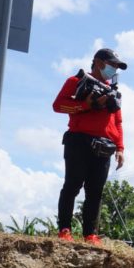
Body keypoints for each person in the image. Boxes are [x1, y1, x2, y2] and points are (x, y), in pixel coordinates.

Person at [53, 48, 127, 245]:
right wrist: (86, 105)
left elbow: (118, 122)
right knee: (72, 185)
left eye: (117, 67)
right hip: (79, 140)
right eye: (112, 65)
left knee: (95, 191)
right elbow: (58, 106)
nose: (114, 69)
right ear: (98, 62)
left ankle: (90, 234)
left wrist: (120, 148)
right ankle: (64, 229)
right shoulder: (76, 81)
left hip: (104, 146)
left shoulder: (113, 92)